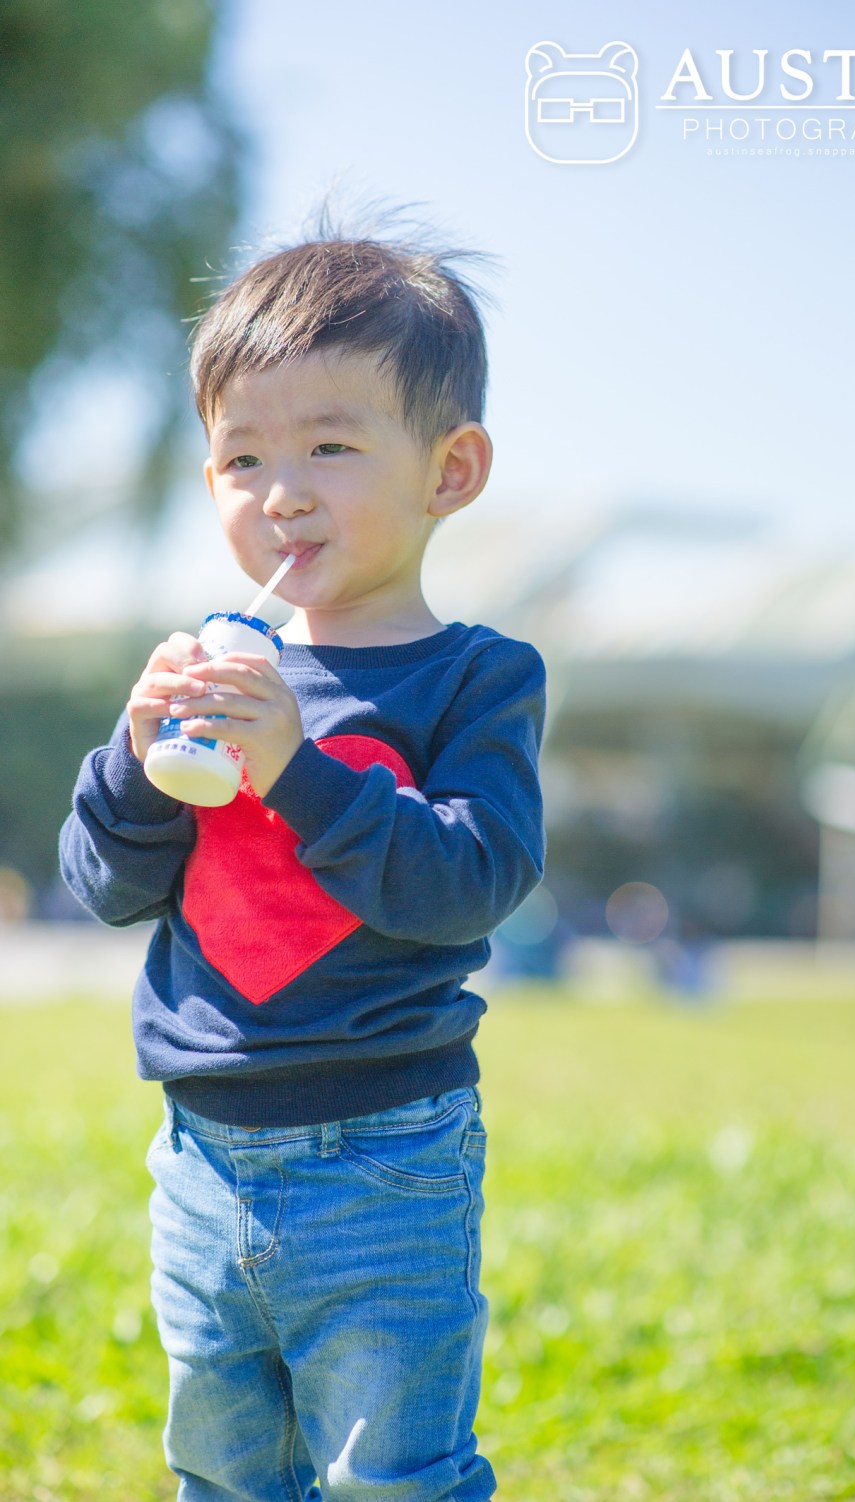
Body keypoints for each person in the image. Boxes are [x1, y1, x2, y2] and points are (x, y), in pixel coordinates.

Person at [59, 235, 546, 1502]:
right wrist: (129, 756)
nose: (281, 494)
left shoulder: (475, 679)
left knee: (392, 1475)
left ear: (453, 468)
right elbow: (104, 885)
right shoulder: (213, 684)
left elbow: (467, 879)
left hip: (387, 1153)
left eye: (330, 446)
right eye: (242, 458)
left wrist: (297, 765)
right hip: (201, 1158)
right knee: (223, 1472)